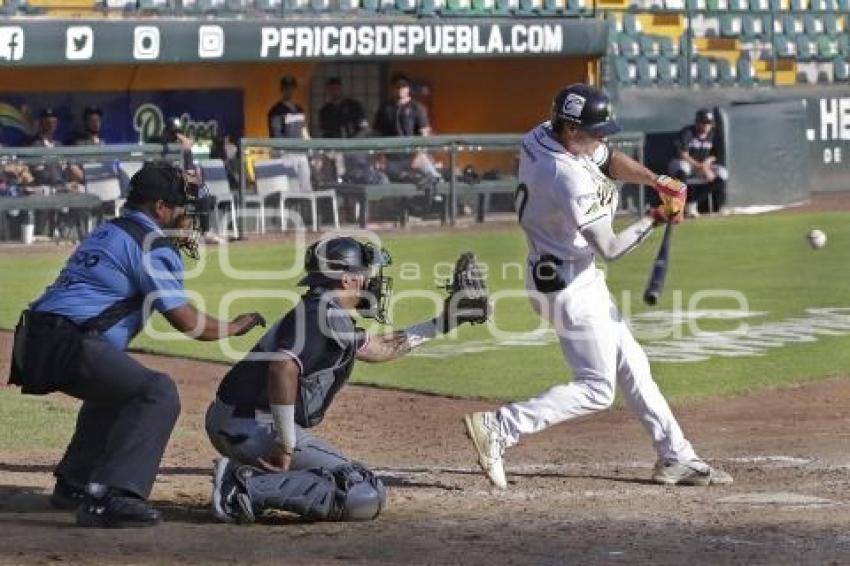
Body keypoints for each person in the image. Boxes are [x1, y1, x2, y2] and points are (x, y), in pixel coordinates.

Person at [462, 84, 732, 490]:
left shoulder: (544, 134)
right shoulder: (567, 176)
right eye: (596, 131)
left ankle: (676, 457)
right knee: (597, 388)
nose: (603, 139)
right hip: (569, 288)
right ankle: (500, 426)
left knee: (634, 367)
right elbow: (610, 247)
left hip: (564, 274)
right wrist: (656, 217)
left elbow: (610, 160)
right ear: (572, 131)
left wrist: (657, 180)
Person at [7, 162, 266, 528]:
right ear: (159, 207)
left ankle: (76, 483)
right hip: (64, 342)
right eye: (182, 207)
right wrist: (234, 326)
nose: (188, 217)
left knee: (118, 386)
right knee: (157, 393)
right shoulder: (151, 243)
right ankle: (112, 496)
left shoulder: (111, 230)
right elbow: (188, 323)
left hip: (36, 338)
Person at [208, 236, 486, 523]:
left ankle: (250, 478)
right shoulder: (323, 317)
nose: (370, 283)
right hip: (249, 426)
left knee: (338, 480)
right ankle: (241, 487)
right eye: (365, 275)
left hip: (237, 421)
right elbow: (283, 367)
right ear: (347, 280)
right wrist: (285, 443)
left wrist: (447, 320)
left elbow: (380, 349)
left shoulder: (325, 311)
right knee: (362, 491)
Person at [668, 108, 728, 217]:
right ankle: (678, 205)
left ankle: (691, 203)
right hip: (684, 164)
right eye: (703, 122)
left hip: (702, 166)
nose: (706, 126)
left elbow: (715, 155)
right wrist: (700, 166)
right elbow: (683, 154)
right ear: (697, 122)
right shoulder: (688, 132)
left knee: (722, 174)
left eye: (709, 123)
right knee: (683, 167)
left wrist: (706, 165)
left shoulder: (712, 134)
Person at [266, 75, 312, 193]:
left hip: (301, 153)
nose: (289, 91)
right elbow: (276, 135)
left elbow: (304, 130)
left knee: (306, 187)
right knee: (290, 188)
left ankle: (305, 211)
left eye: (291, 88)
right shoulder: (276, 110)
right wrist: (282, 154)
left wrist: (310, 147)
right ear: (282, 89)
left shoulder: (299, 108)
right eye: (286, 88)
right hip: (287, 154)